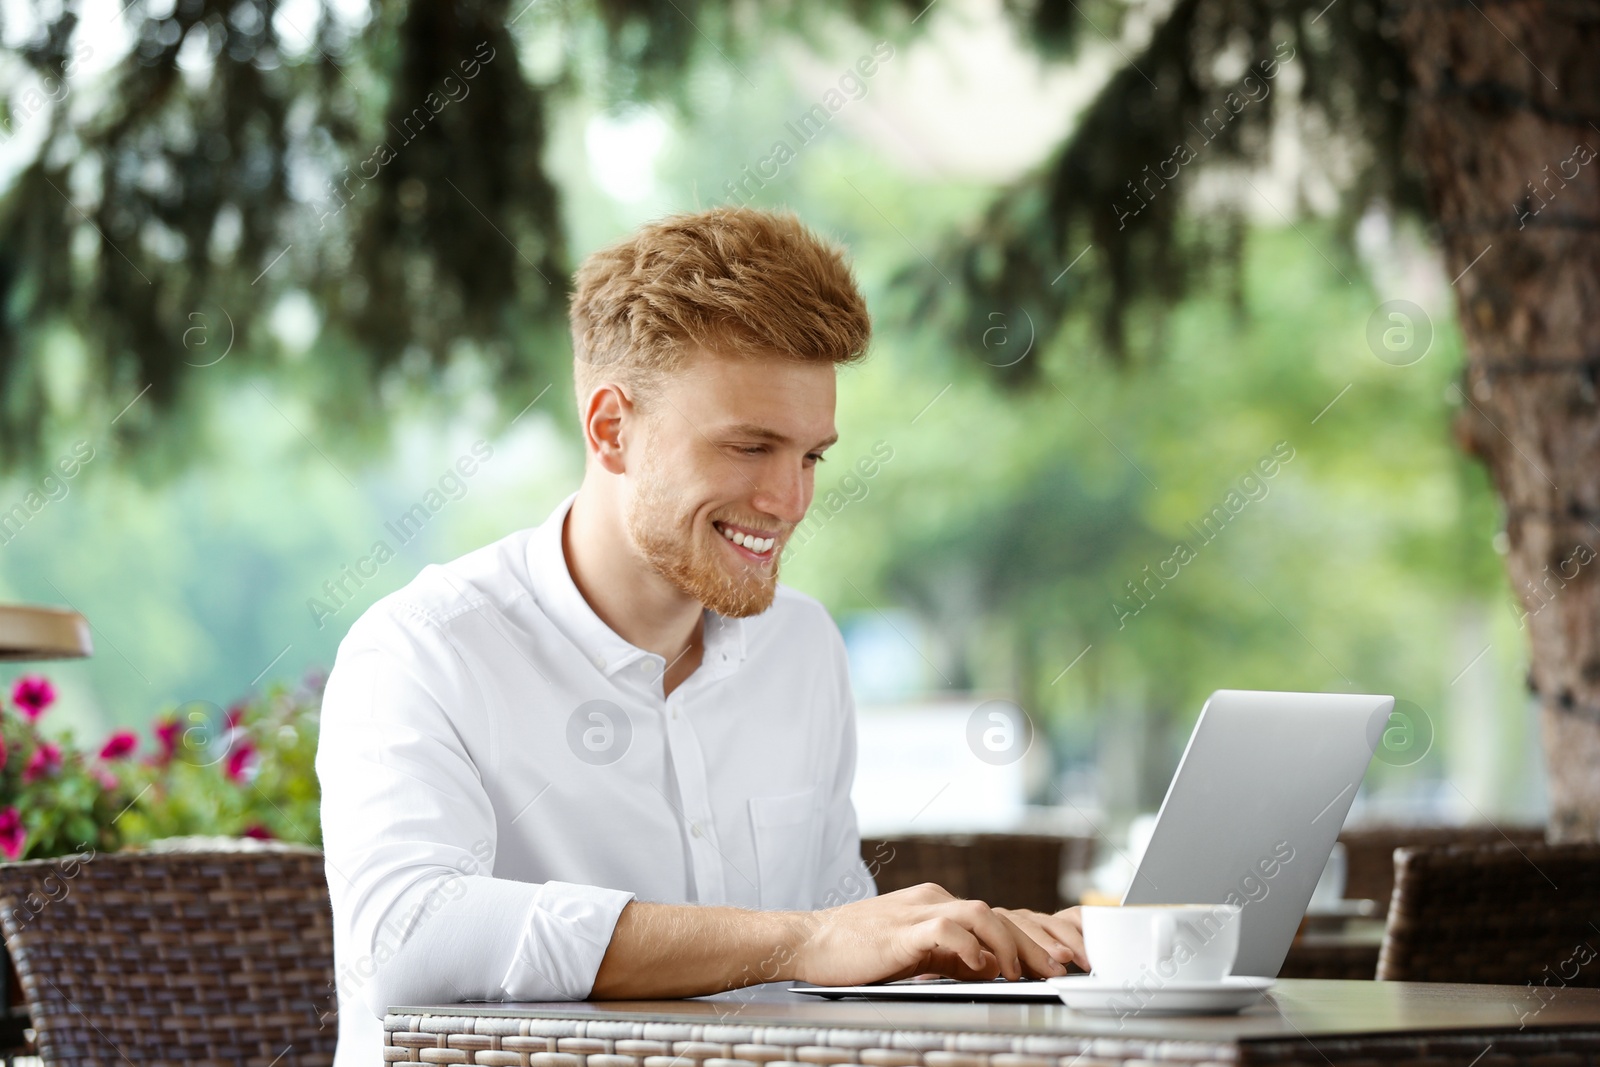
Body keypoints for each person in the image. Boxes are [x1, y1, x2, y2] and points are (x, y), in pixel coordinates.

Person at [315, 207, 1087, 1066]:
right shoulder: (422, 651)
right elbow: (407, 935)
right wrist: (800, 942)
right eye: (750, 446)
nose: (790, 500)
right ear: (611, 428)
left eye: (810, 456)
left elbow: (834, 934)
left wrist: (981, 955)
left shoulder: (802, 649)